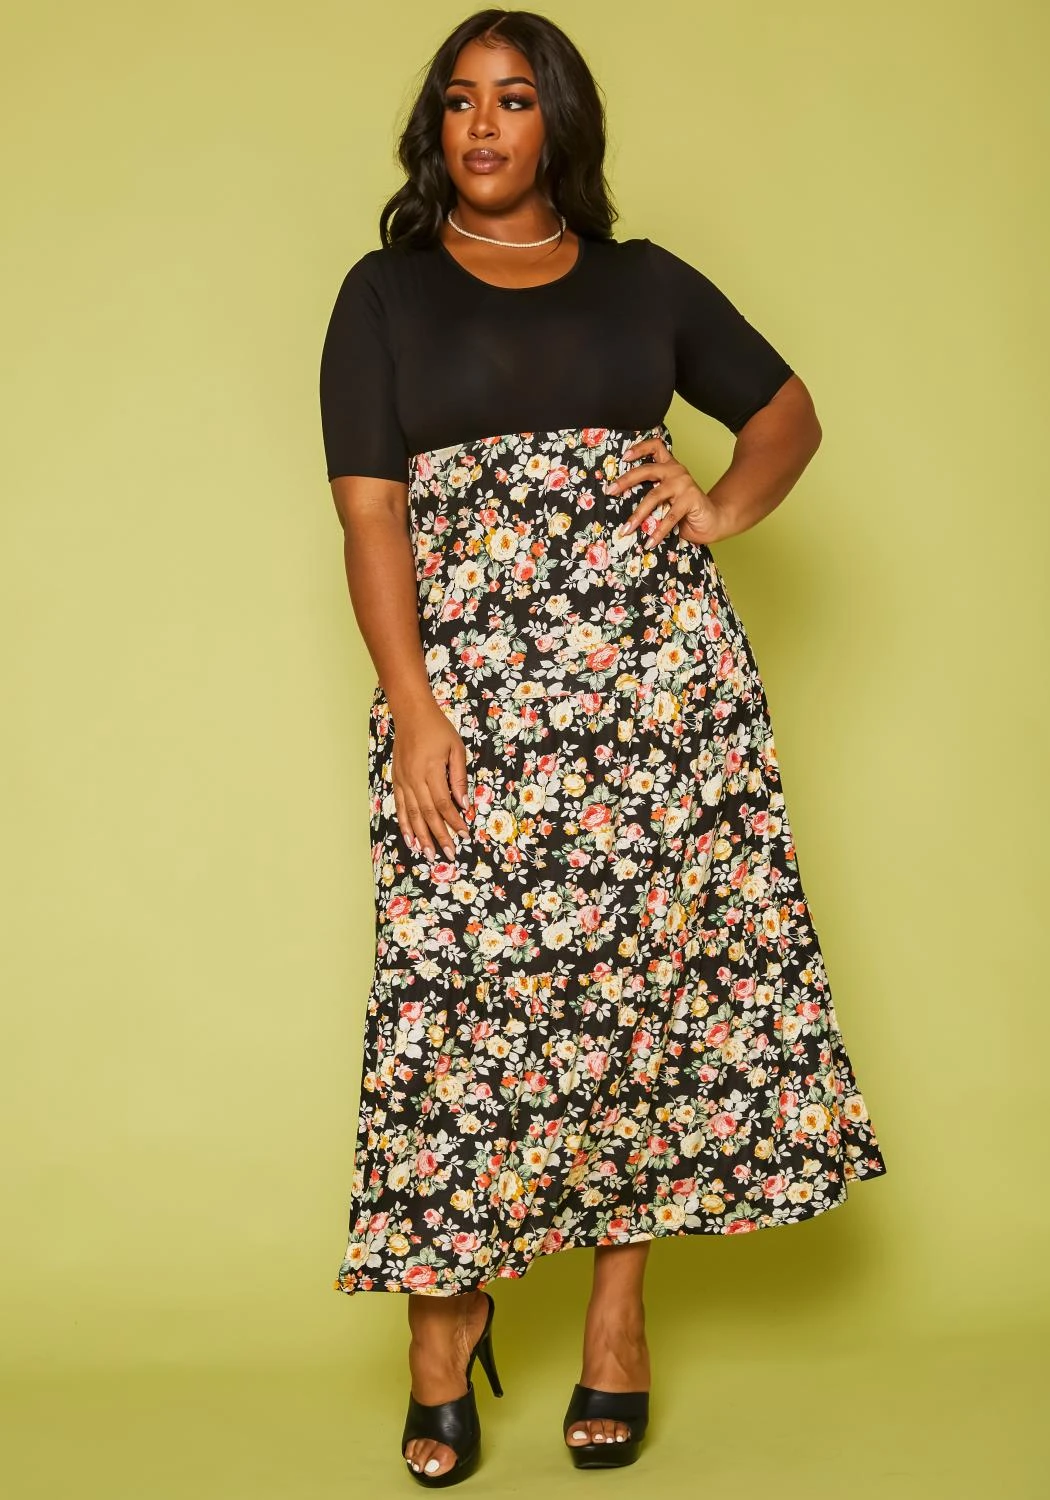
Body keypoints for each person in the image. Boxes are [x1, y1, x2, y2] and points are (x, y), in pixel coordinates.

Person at [318, 7, 888, 1487]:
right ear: (434, 128)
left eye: (514, 99)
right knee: (452, 1006)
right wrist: (415, 706)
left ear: (558, 123)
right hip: (473, 706)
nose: (484, 124)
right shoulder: (384, 294)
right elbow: (370, 515)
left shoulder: (645, 283)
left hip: (659, 702)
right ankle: (442, 1323)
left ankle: (616, 1322)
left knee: (640, 1003)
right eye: (460, 100)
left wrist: (720, 506)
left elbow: (785, 414)